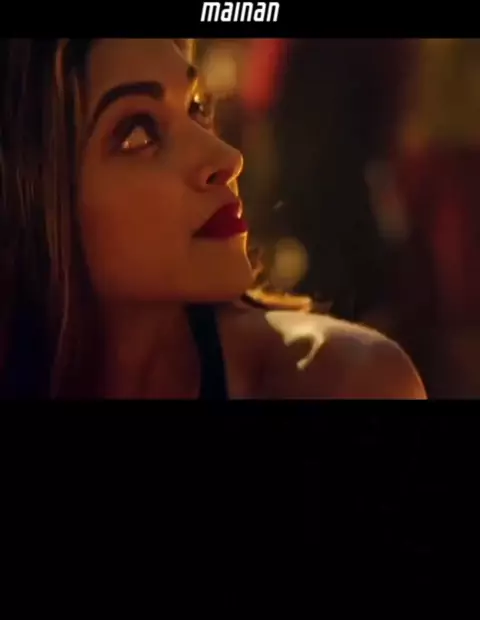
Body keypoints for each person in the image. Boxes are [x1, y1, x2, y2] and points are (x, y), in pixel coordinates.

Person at [0, 38, 426, 399]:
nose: (227, 158)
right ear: (29, 196)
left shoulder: (340, 381)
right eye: (138, 133)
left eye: (196, 106)